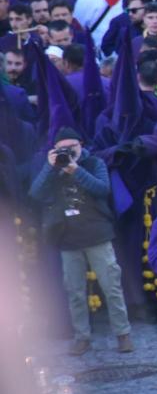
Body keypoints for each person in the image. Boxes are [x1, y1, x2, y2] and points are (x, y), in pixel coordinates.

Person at [29, 127, 132, 354]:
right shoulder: (52, 169)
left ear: (81, 145)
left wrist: (75, 169)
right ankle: (82, 337)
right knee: (75, 291)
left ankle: (123, 334)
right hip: (67, 238)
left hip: (98, 234)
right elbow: (35, 193)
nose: (67, 152)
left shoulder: (94, 163)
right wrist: (50, 166)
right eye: (62, 149)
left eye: (71, 147)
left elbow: (103, 189)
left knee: (111, 287)